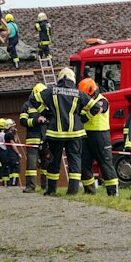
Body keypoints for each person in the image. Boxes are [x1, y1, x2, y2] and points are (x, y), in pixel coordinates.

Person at [38, 67, 90, 196]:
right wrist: (81, 117)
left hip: (56, 134)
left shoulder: (51, 91)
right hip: (75, 134)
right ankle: (73, 191)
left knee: (53, 161)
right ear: (73, 79)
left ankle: (51, 190)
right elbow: (94, 106)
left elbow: (34, 100)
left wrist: (47, 113)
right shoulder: (79, 93)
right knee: (75, 160)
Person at [79, 77, 119, 197]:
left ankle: (112, 192)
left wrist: (87, 112)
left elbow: (97, 109)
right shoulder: (83, 102)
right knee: (84, 164)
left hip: (101, 135)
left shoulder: (103, 100)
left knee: (105, 163)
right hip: (86, 135)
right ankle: (89, 190)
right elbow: (82, 116)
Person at [19, 83, 48, 193]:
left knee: (47, 164)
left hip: (46, 139)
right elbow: (22, 121)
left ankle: (47, 187)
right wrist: (36, 120)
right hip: (32, 140)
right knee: (31, 164)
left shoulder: (47, 105)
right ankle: (30, 186)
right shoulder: (27, 105)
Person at [0, 118, 21, 186]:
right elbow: (13, 144)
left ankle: (11, 183)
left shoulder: (7, 134)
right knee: (16, 168)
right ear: (9, 126)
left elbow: (15, 141)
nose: (14, 127)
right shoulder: (9, 134)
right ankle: (14, 183)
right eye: (13, 126)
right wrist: (18, 153)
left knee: (10, 169)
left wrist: (15, 133)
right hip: (12, 154)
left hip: (8, 153)